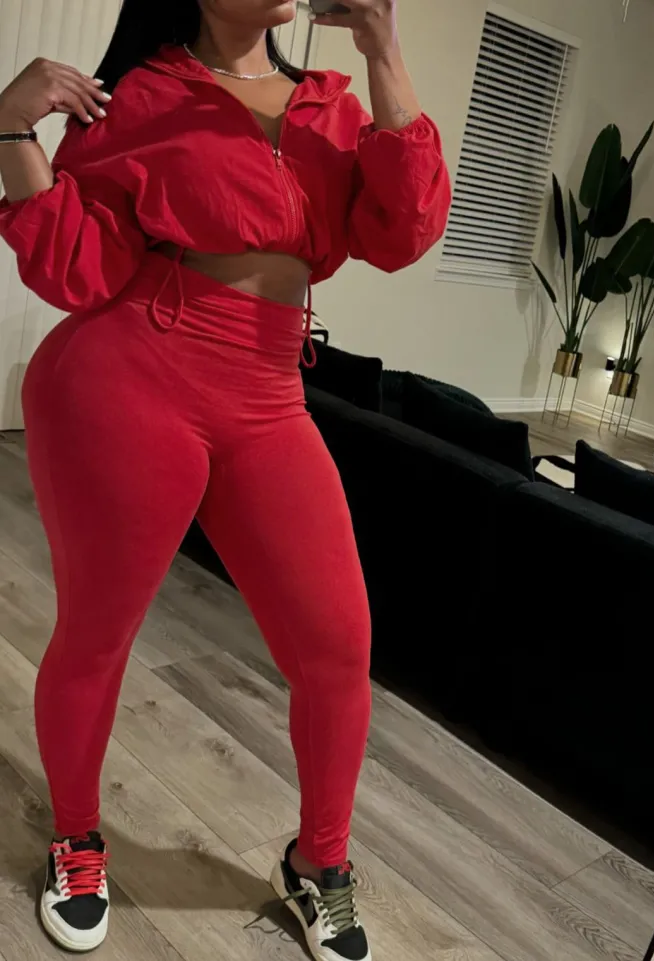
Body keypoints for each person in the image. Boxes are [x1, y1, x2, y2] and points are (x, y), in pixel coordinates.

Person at [0, 0, 450, 957]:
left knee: (337, 645)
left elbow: (404, 230)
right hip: (133, 373)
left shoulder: (332, 106)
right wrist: (8, 128)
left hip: (271, 392)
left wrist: (383, 48)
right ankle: (77, 840)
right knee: (98, 633)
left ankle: (319, 862)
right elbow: (75, 269)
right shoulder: (144, 95)